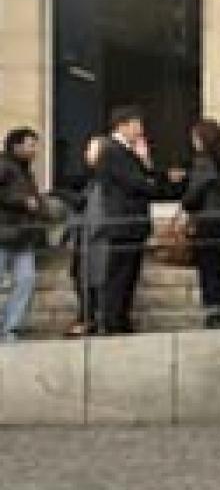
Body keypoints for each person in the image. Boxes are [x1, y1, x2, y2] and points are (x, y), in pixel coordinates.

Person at [95, 107, 167, 335]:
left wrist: (147, 168)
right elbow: (136, 183)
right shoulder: (113, 151)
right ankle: (113, 322)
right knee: (119, 276)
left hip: (133, 224)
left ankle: (121, 320)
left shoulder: (126, 151)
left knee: (130, 275)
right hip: (122, 223)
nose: (141, 130)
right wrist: (147, 170)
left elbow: (146, 180)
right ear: (122, 125)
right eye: (137, 125)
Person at [178, 119, 220, 330]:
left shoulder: (203, 161)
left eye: (195, 138)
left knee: (208, 268)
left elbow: (194, 195)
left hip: (209, 221)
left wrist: (184, 201)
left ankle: (213, 313)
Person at [0, 128, 46, 342]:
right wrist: (22, 202)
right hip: (4, 234)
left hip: (23, 236)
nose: (35, 149)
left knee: (26, 280)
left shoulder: (26, 170)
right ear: (16, 146)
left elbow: (35, 199)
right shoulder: (4, 166)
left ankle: (11, 328)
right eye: (31, 144)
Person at [61, 135, 109, 337]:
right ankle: (87, 318)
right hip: (85, 237)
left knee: (92, 280)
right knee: (81, 279)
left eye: (91, 149)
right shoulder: (93, 177)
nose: (86, 154)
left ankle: (91, 320)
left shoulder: (105, 177)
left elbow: (97, 209)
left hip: (94, 239)